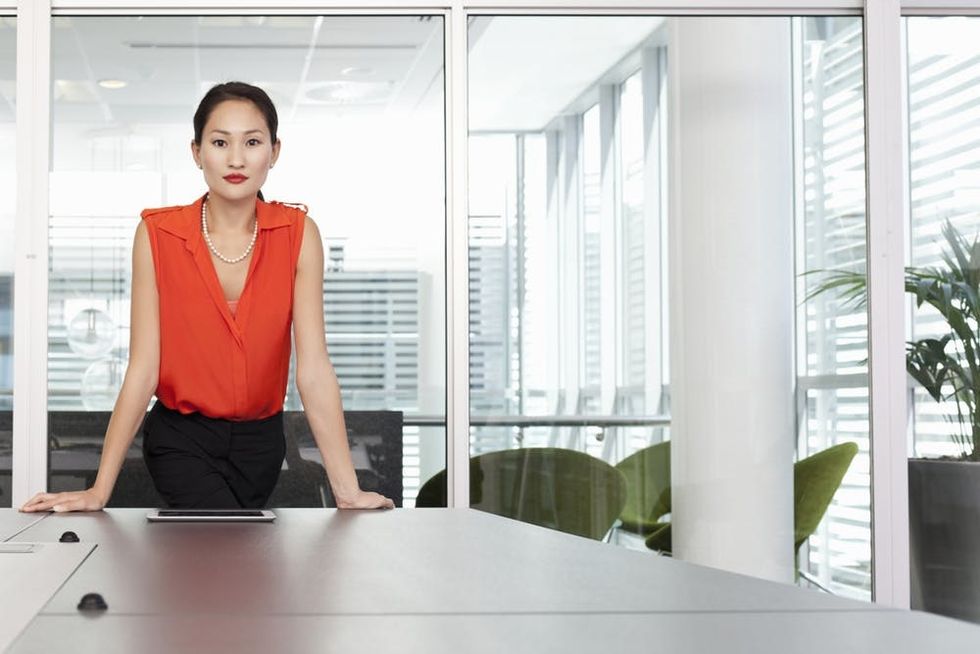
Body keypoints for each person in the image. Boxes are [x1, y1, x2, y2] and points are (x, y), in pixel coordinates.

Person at [20, 82, 394, 513]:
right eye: (220, 142)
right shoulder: (158, 235)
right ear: (197, 152)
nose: (236, 159)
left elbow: (313, 369)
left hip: (262, 444)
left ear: (274, 151)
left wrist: (346, 490)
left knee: (235, 567)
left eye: (252, 142)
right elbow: (143, 368)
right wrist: (100, 489)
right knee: (220, 546)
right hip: (182, 438)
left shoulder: (298, 234)